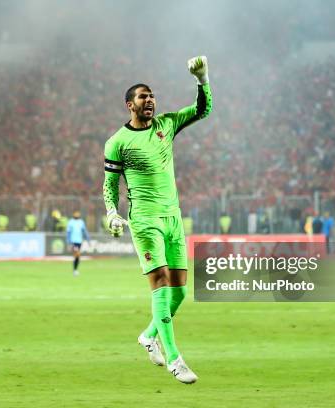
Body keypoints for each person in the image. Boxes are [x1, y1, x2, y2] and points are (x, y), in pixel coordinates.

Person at [102, 56, 212, 384]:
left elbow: (202, 109)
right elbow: (109, 186)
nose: (149, 100)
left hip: (173, 218)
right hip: (145, 219)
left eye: (152, 96)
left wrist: (203, 78)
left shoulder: (167, 124)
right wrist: (111, 212)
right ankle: (175, 359)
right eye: (142, 96)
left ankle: (149, 335)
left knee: (179, 292)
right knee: (161, 281)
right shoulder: (117, 142)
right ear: (129, 105)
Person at [66, 210, 90, 277]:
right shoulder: (70, 222)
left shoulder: (81, 222)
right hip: (73, 241)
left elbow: (84, 231)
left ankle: (75, 270)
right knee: (77, 254)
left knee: (77, 256)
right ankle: (75, 270)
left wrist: (88, 239)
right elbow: (68, 232)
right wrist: (68, 242)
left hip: (79, 241)